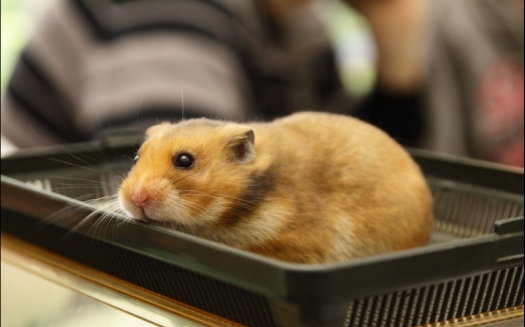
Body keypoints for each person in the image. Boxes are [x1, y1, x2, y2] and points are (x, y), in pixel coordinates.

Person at [2, 0, 523, 167]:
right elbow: (184, 221)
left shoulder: (306, 32)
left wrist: (397, 63)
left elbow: (346, 189)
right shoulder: (170, 11)